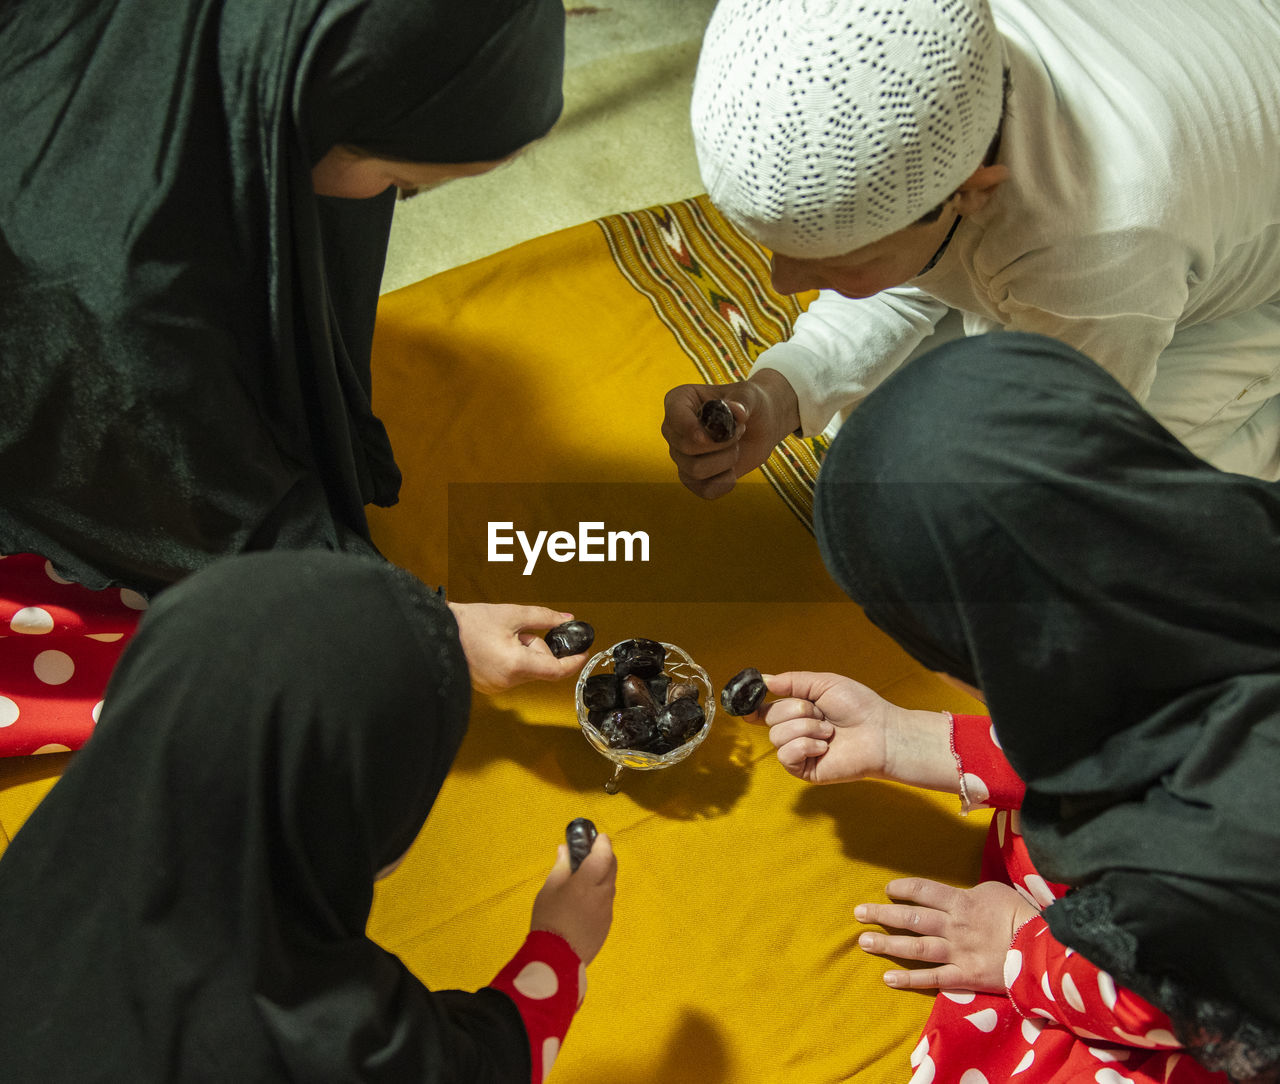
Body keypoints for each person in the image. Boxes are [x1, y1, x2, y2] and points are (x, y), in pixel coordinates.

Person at [0, 0, 580, 756]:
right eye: (403, 182)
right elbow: (192, 497)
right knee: (233, 675)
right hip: (55, 373)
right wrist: (422, 623)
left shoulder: (251, 48)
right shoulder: (113, 291)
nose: (393, 201)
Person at [752, 333, 1280, 1083]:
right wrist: (912, 739)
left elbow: (1164, 996)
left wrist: (1021, 954)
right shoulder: (1231, 543)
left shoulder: (1199, 881)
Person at [0, 550, 618, 1083]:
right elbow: (486, 1065)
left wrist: (436, 630)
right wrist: (562, 948)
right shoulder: (327, 1035)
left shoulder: (47, 868)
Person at [663, 0, 1280, 498]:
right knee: (880, 442)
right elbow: (917, 262)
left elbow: (1065, 469)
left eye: (838, 261)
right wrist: (780, 392)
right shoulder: (926, 51)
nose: (780, 282)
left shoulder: (1101, 247)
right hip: (1201, 150)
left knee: (1049, 513)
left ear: (973, 193)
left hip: (1240, 284)